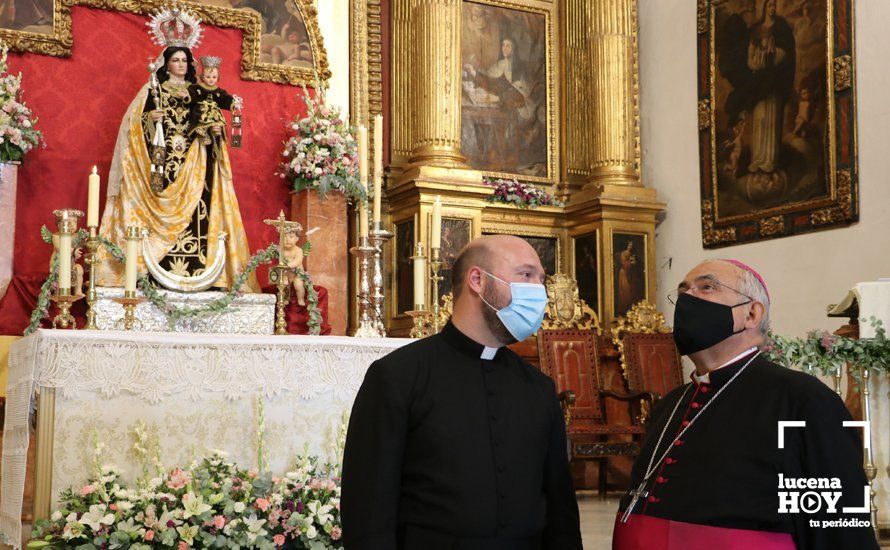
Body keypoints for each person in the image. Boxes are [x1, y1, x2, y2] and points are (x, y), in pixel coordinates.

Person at [613, 259, 878, 550]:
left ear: (752, 313)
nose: (688, 298)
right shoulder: (671, 404)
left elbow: (839, 529)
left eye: (707, 287)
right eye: (683, 291)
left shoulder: (803, 401)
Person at [341, 234, 582, 550]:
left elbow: (561, 510)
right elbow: (368, 510)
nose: (539, 291)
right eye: (526, 275)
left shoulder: (538, 387)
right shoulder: (397, 376)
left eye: (541, 279)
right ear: (478, 280)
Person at [95, 9, 258, 292]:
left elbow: (213, 116)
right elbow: (131, 128)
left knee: (200, 212)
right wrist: (149, 120)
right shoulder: (153, 89)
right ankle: (151, 269)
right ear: (166, 63)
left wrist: (215, 133)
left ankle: (201, 272)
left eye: (184, 60)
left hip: (195, 162)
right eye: (175, 60)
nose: (181, 64)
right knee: (159, 204)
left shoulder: (199, 91)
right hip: (161, 162)